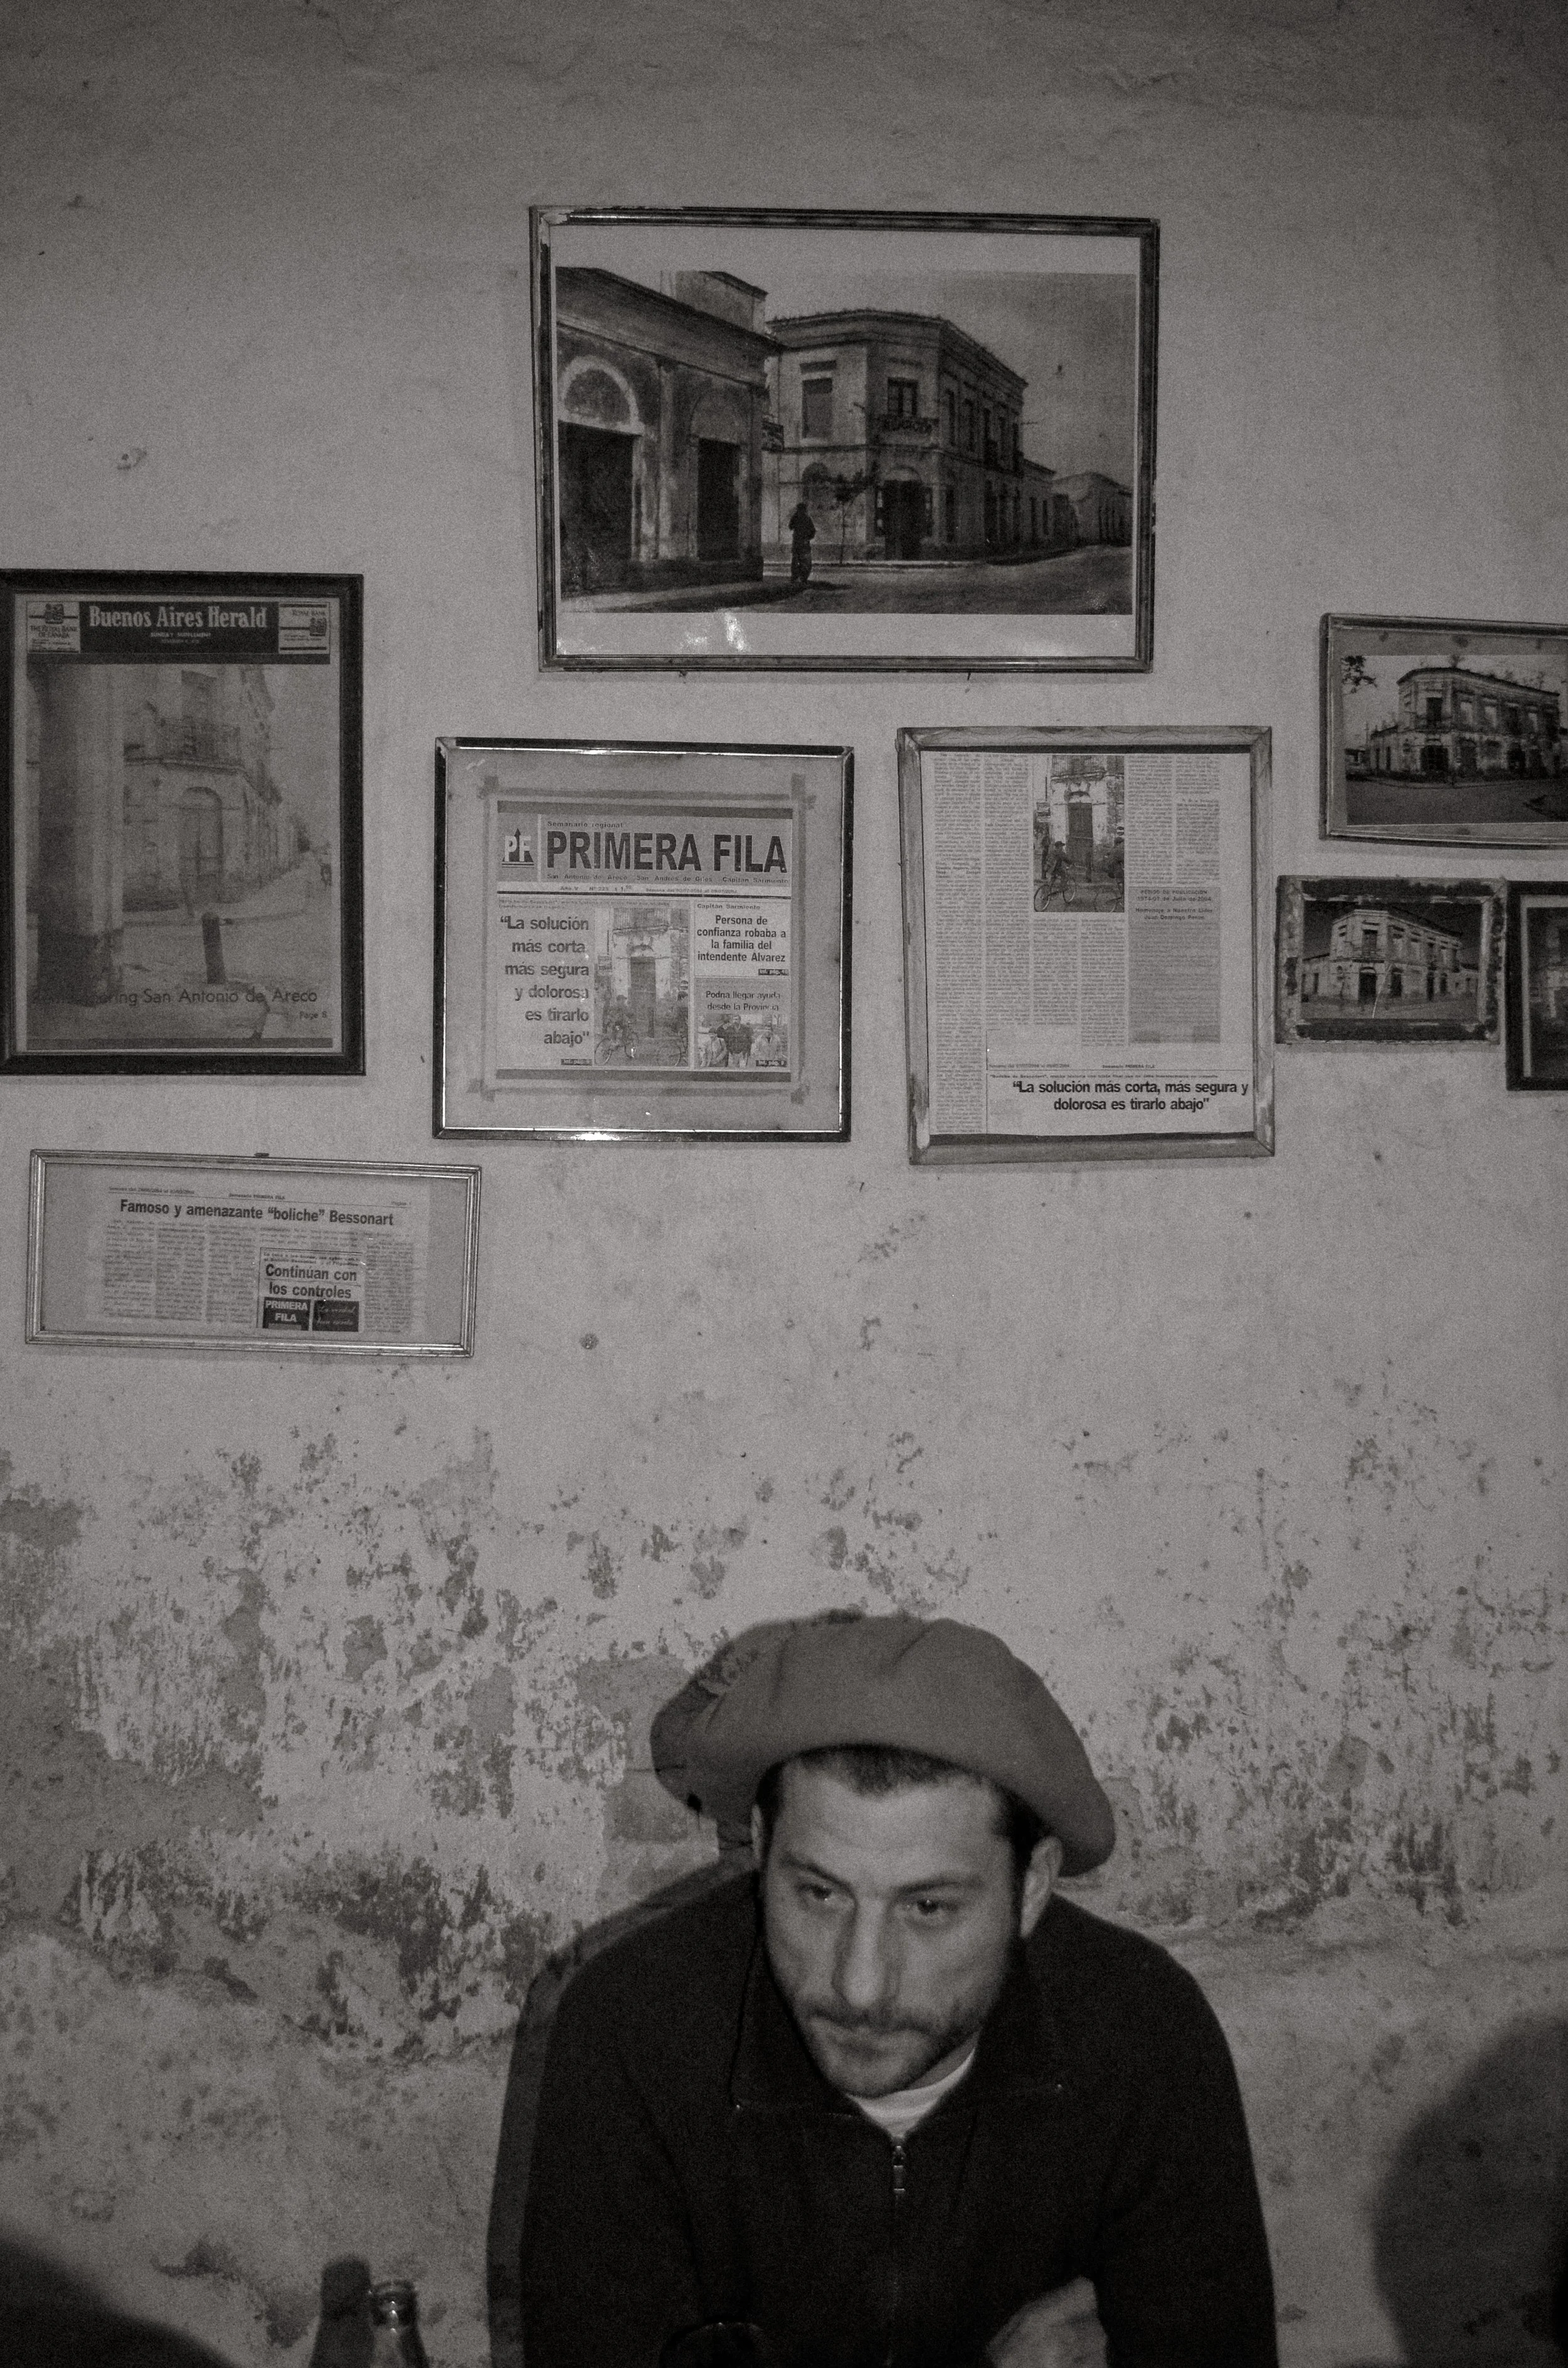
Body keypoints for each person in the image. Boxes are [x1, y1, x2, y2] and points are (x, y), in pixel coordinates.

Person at [520, 1612, 1279, 2368]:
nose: (859, 1985)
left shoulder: (1142, 2035)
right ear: (762, 1845)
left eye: (928, 1908)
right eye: (819, 1894)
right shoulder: (632, 2030)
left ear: (1031, 1888)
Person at [787, 500, 816, 586]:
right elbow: (813, 531)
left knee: (796, 561)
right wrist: (808, 538)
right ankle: (803, 578)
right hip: (804, 543)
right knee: (805, 562)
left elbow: (790, 527)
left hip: (797, 543)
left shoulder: (796, 517)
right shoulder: (807, 518)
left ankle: (796, 578)